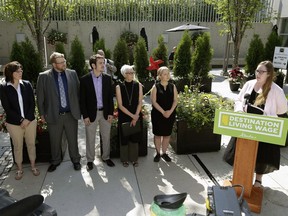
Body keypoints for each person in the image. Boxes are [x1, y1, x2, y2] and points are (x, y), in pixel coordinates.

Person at [234, 60, 288, 187]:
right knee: (242, 154)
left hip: (263, 130)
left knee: (261, 156)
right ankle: (241, 178)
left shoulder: (276, 90)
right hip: (246, 127)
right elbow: (238, 100)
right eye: (257, 70)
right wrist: (239, 111)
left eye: (261, 71)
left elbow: (282, 111)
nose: (258, 74)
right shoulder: (249, 84)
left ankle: (258, 180)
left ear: (268, 74)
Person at [36, 52, 81, 172]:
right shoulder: (44, 76)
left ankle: (76, 160)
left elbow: (78, 92)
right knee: (54, 141)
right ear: (54, 64)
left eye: (64, 61)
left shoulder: (72, 73)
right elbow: (40, 98)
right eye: (61, 62)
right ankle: (55, 161)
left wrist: (79, 109)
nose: (64, 64)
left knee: (73, 140)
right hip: (53, 115)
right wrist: (42, 114)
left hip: (71, 114)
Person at [0, 61, 40, 180]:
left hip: (30, 121)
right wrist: (21, 120)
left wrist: (27, 119)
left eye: (21, 70)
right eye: (18, 71)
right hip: (14, 123)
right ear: (11, 73)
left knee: (31, 144)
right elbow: (7, 107)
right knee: (17, 146)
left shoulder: (27, 84)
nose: (21, 72)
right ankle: (19, 169)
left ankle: (33, 166)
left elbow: (32, 103)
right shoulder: (4, 87)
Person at [80, 54, 115, 170]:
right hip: (91, 114)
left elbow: (110, 97)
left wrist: (111, 113)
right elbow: (82, 100)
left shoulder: (107, 78)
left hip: (105, 113)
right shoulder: (85, 80)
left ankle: (106, 157)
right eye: (100, 63)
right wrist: (85, 116)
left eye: (103, 62)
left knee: (106, 136)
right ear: (93, 65)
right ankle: (90, 160)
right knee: (90, 137)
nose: (103, 65)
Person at [116, 65, 143, 167]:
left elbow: (140, 101)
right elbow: (120, 105)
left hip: (136, 113)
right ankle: (124, 159)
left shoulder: (138, 85)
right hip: (125, 115)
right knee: (124, 137)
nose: (131, 74)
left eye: (132, 72)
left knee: (135, 136)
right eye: (129, 73)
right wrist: (132, 116)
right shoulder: (119, 87)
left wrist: (136, 115)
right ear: (124, 74)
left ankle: (134, 159)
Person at [151, 66, 178, 162]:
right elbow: (154, 102)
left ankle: (164, 153)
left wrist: (170, 111)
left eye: (168, 73)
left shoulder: (173, 86)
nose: (167, 76)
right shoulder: (155, 87)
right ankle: (158, 153)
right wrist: (163, 112)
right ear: (160, 76)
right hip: (158, 114)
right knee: (158, 135)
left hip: (170, 114)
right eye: (165, 74)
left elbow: (175, 100)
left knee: (167, 134)